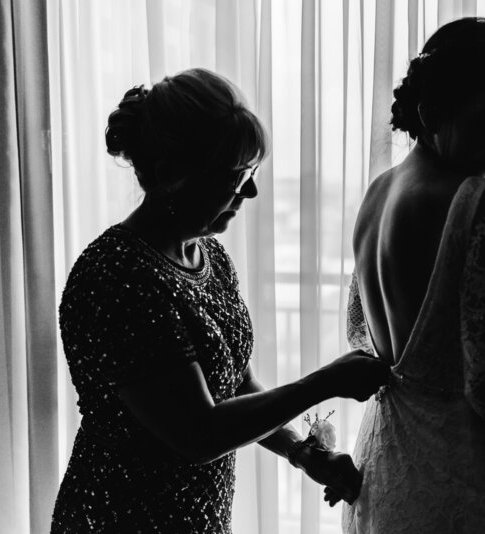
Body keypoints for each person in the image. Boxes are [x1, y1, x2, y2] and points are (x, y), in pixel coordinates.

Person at [50, 68, 390, 533]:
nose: (250, 191)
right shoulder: (117, 278)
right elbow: (198, 432)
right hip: (122, 516)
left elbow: (236, 384)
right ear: (174, 175)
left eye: (252, 172)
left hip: (196, 517)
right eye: (236, 175)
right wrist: (325, 381)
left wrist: (302, 452)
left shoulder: (208, 255)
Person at [337, 18, 485, 533]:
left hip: (379, 468)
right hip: (455, 479)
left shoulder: (377, 193)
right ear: (431, 112)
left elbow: (360, 336)